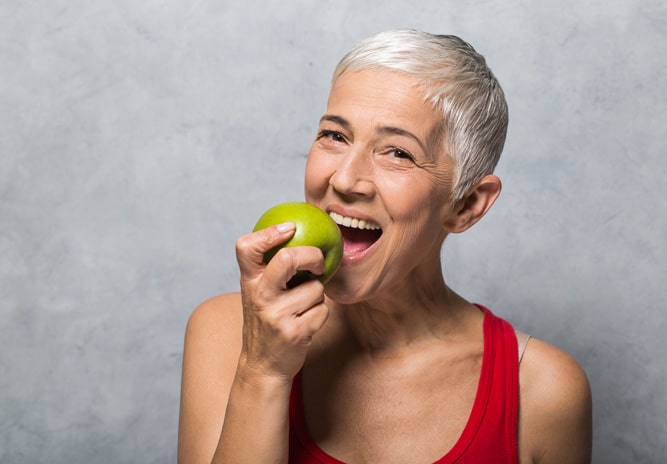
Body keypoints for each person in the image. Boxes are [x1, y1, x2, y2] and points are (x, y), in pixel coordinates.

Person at [177, 29, 592, 464]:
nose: (343, 179)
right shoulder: (229, 334)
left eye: (397, 152)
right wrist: (262, 373)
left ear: (466, 204)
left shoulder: (543, 391)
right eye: (335, 136)